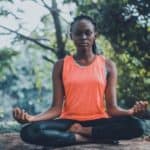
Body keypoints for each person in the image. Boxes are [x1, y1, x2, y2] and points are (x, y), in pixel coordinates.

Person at [12, 15, 148, 147]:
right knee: (30, 131)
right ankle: (87, 139)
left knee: (137, 125)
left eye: (88, 33)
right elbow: (56, 108)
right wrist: (31, 119)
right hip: (68, 122)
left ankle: (82, 133)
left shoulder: (108, 65)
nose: (83, 37)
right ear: (72, 36)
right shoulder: (61, 65)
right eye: (78, 33)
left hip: (98, 121)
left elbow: (112, 109)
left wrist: (131, 112)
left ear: (95, 35)